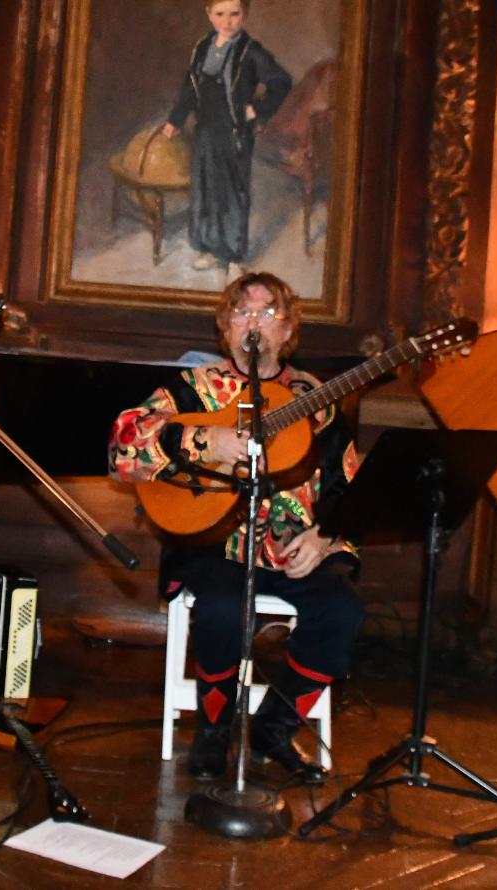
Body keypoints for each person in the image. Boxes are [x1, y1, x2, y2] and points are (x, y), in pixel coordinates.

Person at [109, 271, 363, 783]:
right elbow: (122, 446)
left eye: (268, 313)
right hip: (213, 545)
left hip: (296, 548)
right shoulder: (193, 389)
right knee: (222, 609)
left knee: (343, 611)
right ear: (226, 328)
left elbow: (352, 486)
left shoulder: (317, 400)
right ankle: (214, 730)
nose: (254, 323)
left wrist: (325, 538)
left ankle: (276, 727)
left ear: (287, 330)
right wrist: (208, 442)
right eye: (243, 312)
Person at [162, 0, 292, 280]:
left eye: (234, 14)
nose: (227, 21)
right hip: (206, 129)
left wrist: (258, 110)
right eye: (220, 14)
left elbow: (281, 81)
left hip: (234, 131)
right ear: (209, 14)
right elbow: (190, 89)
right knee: (206, 187)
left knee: (232, 192)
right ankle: (209, 247)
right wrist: (175, 120)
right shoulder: (202, 48)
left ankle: (234, 256)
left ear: (245, 15)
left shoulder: (251, 51)